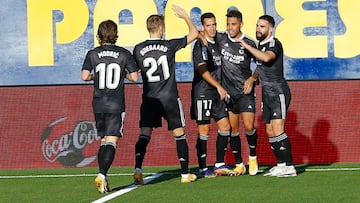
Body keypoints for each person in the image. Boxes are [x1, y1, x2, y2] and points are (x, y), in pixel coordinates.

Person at [132, 5, 199, 184]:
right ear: (161, 28)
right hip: (169, 97)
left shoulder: (138, 48)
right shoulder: (168, 45)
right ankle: (185, 175)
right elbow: (194, 34)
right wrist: (185, 16)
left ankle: (138, 168)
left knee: (144, 134)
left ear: (148, 28)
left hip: (149, 98)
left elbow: (133, 74)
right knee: (179, 134)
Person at [81, 19, 139, 193]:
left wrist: (95, 78)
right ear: (115, 35)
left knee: (104, 140)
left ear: (99, 35)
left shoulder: (92, 53)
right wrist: (124, 74)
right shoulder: (123, 53)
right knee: (112, 140)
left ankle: (103, 177)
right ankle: (102, 174)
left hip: (98, 103)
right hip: (115, 103)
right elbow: (135, 78)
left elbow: (84, 76)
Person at [237, 15, 297, 177]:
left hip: (278, 91)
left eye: (262, 26)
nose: (258, 29)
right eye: (257, 26)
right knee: (270, 130)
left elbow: (266, 58)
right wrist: (253, 77)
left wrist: (246, 46)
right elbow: (260, 66)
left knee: (278, 129)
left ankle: (290, 166)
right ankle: (281, 164)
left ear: (270, 29)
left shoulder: (274, 44)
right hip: (266, 93)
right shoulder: (260, 45)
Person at [191, 12, 234, 177]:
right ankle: (202, 168)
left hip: (218, 93)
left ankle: (219, 163)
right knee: (204, 129)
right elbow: (202, 70)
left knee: (225, 126)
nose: (212, 28)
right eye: (208, 25)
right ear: (203, 27)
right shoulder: (200, 45)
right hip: (203, 92)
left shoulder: (219, 42)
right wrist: (219, 87)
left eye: (214, 24)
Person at [217, 10, 259, 175]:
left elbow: (260, 65)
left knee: (249, 126)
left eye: (233, 24)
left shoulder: (248, 42)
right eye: (228, 24)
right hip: (229, 93)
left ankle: (253, 157)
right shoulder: (221, 39)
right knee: (233, 129)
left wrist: (252, 78)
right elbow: (202, 34)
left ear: (241, 24)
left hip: (245, 92)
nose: (230, 27)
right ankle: (240, 163)